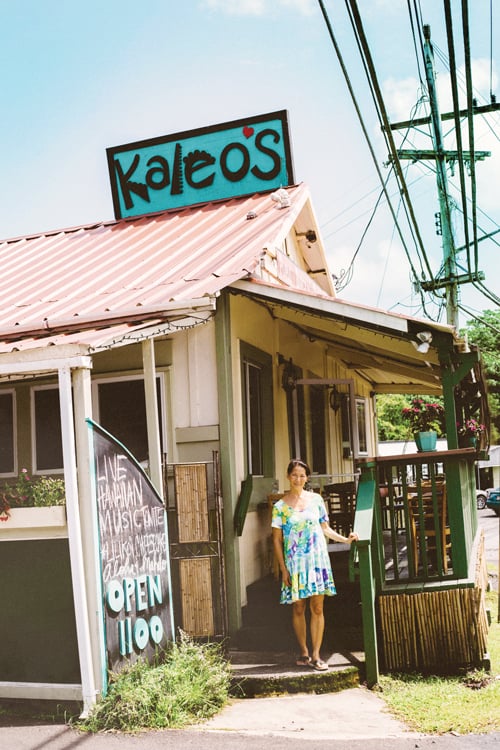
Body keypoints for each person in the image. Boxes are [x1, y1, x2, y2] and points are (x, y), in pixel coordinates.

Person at [271, 458, 358, 671]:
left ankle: (317, 654)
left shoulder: (317, 500)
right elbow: (276, 540)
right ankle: (303, 651)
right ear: (288, 476)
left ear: (307, 477)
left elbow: (325, 528)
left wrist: (346, 540)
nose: (298, 479)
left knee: (317, 607)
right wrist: (283, 569)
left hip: (316, 561)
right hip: (295, 563)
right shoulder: (280, 507)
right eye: (294, 475)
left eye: (302, 475)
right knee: (299, 607)